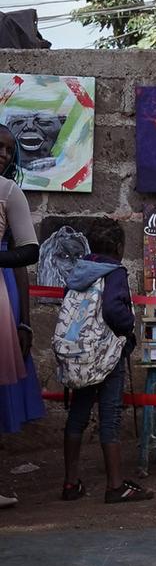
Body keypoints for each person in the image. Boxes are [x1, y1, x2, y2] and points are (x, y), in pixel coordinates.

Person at [58, 219, 153, 504]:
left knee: (78, 413)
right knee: (110, 415)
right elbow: (113, 308)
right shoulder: (115, 272)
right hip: (106, 354)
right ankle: (115, 485)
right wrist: (128, 330)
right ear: (120, 248)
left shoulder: (80, 271)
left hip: (79, 354)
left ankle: (71, 483)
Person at [0, 124, 42, 506]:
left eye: (9, 150)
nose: (3, 154)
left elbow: (28, 253)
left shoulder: (8, 192)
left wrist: (25, 319)